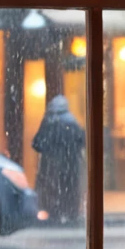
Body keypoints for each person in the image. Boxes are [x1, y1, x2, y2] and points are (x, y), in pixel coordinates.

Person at [33, 95, 85, 225]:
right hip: (70, 164)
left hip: (51, 165)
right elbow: (82, 140)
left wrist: (49, 150)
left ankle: (53, 213)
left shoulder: (48, 121)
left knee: (52, 188)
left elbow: (37, 143)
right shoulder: (72, 122)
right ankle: (70, 214)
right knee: (70, 188)